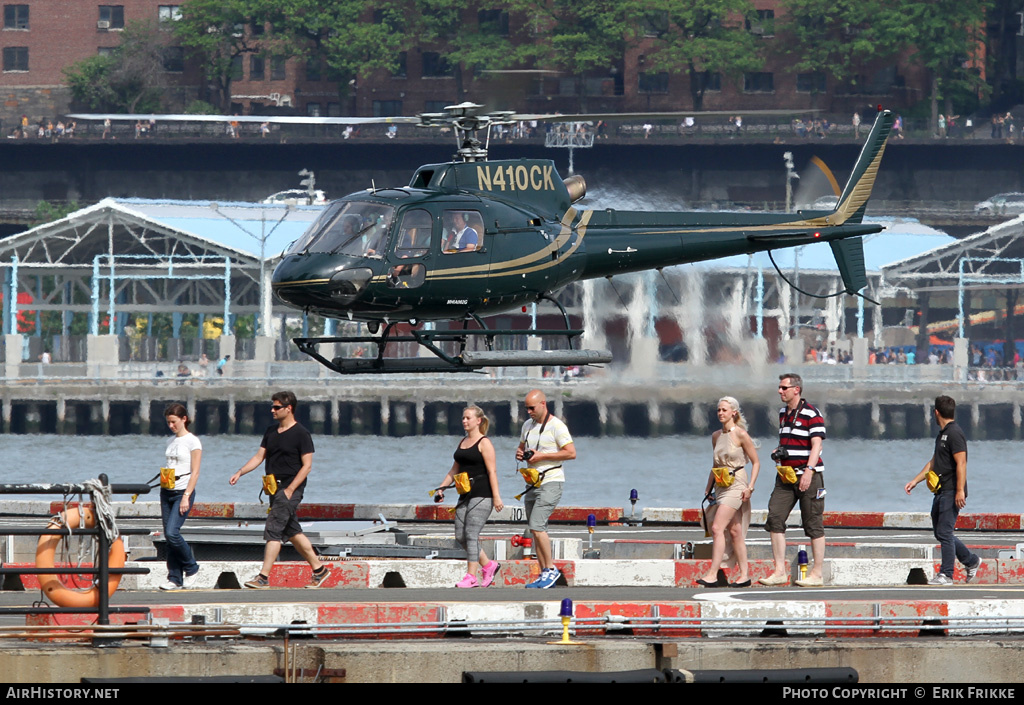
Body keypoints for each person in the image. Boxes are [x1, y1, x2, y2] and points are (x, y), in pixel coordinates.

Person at [229, 391, 330, 589]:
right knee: (292, 531)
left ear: (288, 408)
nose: (272, 410)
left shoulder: (301, 434)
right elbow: (259, 457)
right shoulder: (271, 431)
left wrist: (291, 489)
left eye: (276, 407)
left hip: (291, 487)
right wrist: (240, 472)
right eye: (272, 406)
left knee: (274, 528)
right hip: (273, 488)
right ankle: (320, 570)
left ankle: (263, 577)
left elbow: (307, 466)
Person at [904, 396, 981, 585]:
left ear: (936, 412)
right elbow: (933, 462)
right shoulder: (942, 434)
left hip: (951, 490)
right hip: (940, 491)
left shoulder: (955, 433)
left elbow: (961, 462)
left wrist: (960, 490)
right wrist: (916, 480)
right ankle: (971, 561)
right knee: (940, 532)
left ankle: (946, 574)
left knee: (945, 532)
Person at [759, 373, 827, 587]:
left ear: (796, 389)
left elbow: (817, 445)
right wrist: (780, 451)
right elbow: (789, 439)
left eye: (784, 388)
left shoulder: (811, 413)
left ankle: (817, 573)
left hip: (809, 475)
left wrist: (808, 471)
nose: (780, 391)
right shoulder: (783, 413)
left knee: (813, 522)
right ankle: (779, 571)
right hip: (786, 475)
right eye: (779, 387)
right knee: (775, 518)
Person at [434, 406, 504, 588]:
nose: (464, 421)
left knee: (472, 534)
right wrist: (441, 488)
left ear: (478, 421)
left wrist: (497, 497)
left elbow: (492, 471)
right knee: (460, 535)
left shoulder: (484, 443)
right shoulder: (463, 442)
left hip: (482, 493)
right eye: (463, 418)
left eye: (468, 418)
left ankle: (471, 576)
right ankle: (489, 565)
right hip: (464, 493)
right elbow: (454, 469)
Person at [695, 397, 760, 588]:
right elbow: (715, 465)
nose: (720, 413)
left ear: (734, 412)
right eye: (718, 410)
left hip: (738, 484)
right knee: (735, 531)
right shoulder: (716, 436)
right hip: (721, 484)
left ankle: (713, 573)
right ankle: (745, 575)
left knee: (716, 527)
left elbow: (756, 462)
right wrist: (708, 488)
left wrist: (750, 487)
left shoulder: (740, 435)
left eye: (724, 410)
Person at [515, 389, 576, 589]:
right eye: (526, 408)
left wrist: (542, 456)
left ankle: (550, 569)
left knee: (537, 525)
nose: (529, 412)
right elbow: (523, 446)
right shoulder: (527, 425)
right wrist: (520, 453)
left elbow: (571, 453)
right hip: (532, 482)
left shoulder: (557, 426)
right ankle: (544, 573)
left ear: (543, 404)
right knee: (535, 529)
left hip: (551, 480)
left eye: (532, 408)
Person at [158, 403, 201, 590]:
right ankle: (174, 577)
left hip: (183, 491)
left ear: (184, 419)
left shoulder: (193, 442)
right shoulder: (170, 442)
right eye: (168, 422)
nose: (171, 426)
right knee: (168, 537)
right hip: (166, 489)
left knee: (172, 533)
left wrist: (186, 495)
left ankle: (192, 567)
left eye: (174, 422)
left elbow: (195, 472)